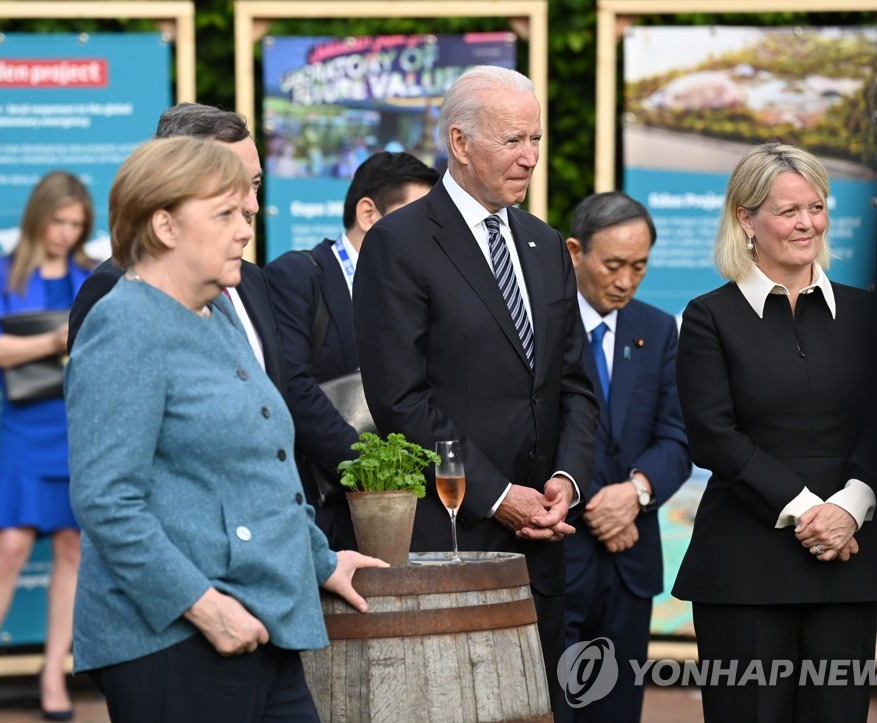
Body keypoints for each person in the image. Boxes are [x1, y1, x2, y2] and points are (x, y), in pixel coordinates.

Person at [66, 136, 385, 721]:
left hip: (261, 618)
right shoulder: (124, 324)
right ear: (164, 224)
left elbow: (257, 469)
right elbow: (107, 501)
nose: (245, 230)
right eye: (225, 215)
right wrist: (203, 607)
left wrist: (321, 559)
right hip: (175, 637)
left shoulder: (216, 317)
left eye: (245, 212)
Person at [352, 65, 599, 719]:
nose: (531, 157)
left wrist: (565, 481)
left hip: (544, 537)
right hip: (452, 533)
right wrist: (497, 493)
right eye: (514, 139)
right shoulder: (399, 244)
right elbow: (401, 399)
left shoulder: (545, 244)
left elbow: (573, 382)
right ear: (460, 143)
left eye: (537, 139)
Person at [673, 142, 877, 722]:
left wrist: (850, 506)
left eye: (816, 207)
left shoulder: (870, 316)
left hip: (849, 564)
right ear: (746, 218)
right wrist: (808, 510)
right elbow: (713, 435)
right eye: (788, 210)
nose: (807, 223)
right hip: (745, 571)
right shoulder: (708, 316)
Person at [0, 171, 97, 722]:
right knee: (9, 550)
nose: (66, 232)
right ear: (39, 217)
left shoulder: (91, 274)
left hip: (80, 428)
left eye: (76, 224)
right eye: (58, 220)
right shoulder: (3, 272)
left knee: (73, 549)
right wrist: (52, 341)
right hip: (26, 427)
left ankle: (53, 674)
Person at [263, 151, 439, 549]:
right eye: (416, 220)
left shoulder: (420, 292)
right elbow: (292, 383)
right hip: (323, 513)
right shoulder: (297, 275)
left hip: (409, 512)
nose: (426, 237)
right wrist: (372, 471)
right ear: (368, 214)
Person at [561, 191, 691, 722]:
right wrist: (597, 503)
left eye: (639, 266)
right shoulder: (541, 328)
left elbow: (679, 438)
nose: (625, 280)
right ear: (575, 252)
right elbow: (530, 434)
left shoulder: (658, 330)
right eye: (613, 265)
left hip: (632, 565)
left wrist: (635, 494)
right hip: (561, 555)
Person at [67, 103, 284, 397]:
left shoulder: (251, 279)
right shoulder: (115, 290)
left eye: (254, 184)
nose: (252, 206)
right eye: (228, 188)